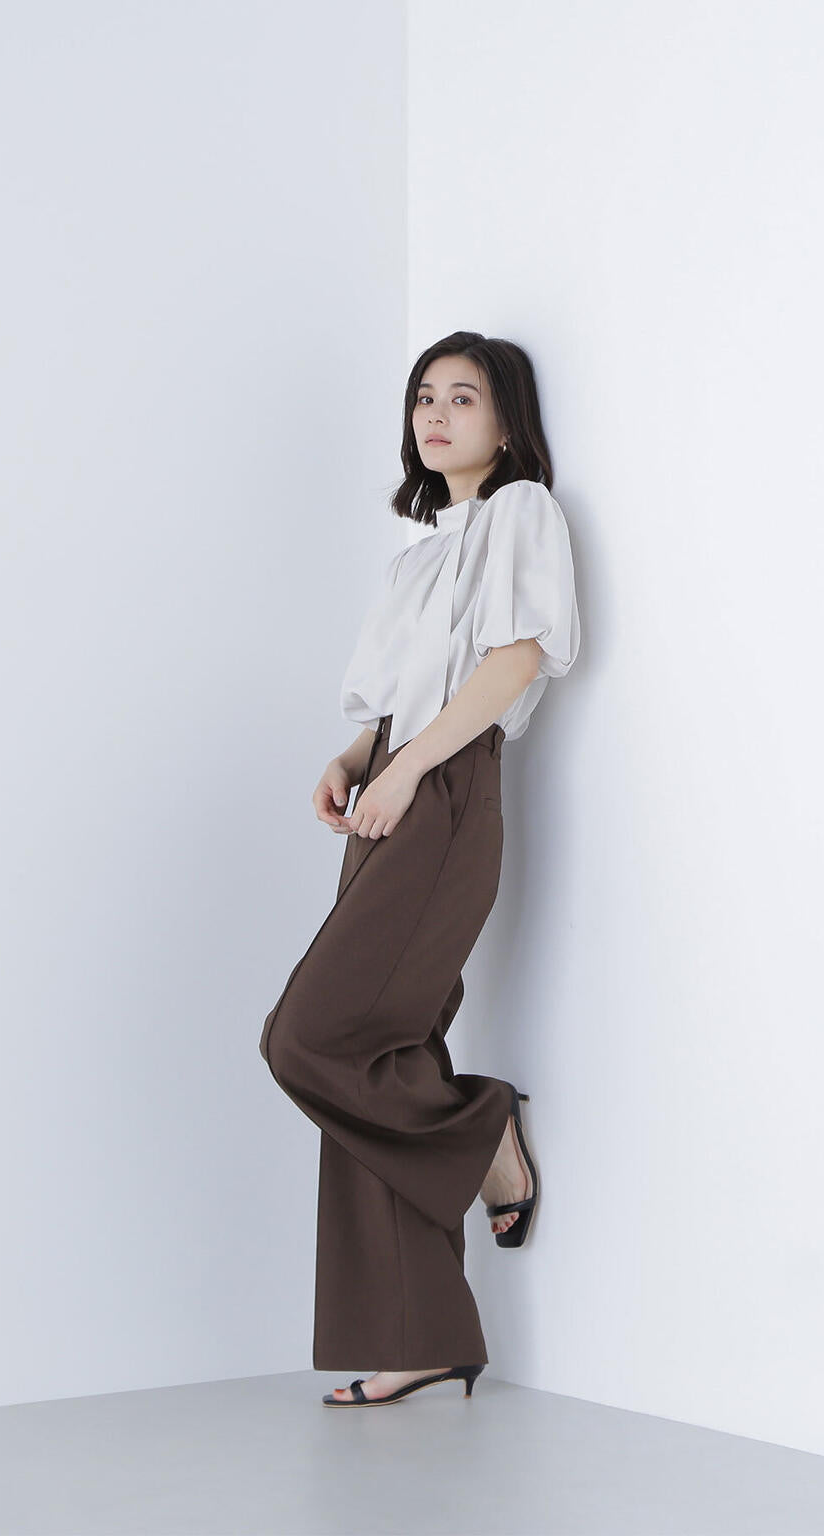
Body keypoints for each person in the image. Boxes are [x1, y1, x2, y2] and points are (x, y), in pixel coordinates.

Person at [258, 330, 581, 1408]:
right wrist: (356, 758)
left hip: (444, 791)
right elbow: (398, 693)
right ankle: (421, 1335)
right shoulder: (416, 555)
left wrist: (406, 772)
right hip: (390, 785)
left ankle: (484, 1130)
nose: (435, 416)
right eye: (423, 398)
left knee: (310, 1037)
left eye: (462, 398)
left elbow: (514, 661)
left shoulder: (521, 512)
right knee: (378, 1050)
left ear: (506, 421)